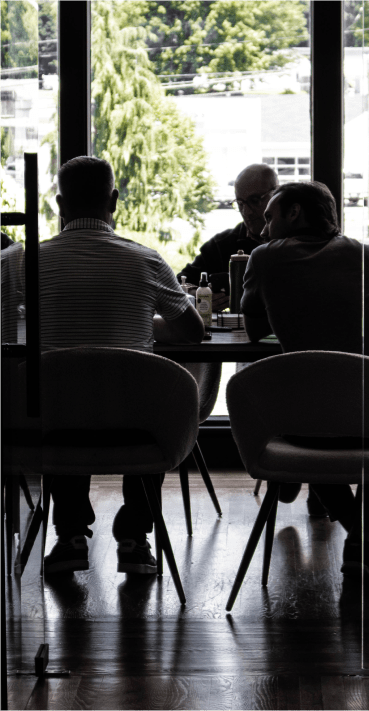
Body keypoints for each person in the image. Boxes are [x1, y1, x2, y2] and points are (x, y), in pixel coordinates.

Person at [241, 180, 369, 579]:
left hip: (307, 422)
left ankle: (363, 542)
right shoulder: (365, 255)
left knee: (309, 439)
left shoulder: (264, 257)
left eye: (270, 216)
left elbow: (253, 324)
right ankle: (363, 545)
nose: (263, 228)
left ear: (294, 213)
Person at [38, 156, 204, 575]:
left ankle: (69, 535)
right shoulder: (146, 261)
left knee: (62, 393)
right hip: (134, 425)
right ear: (115, 200)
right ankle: (134, 538)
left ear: (60, 204)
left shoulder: (23, 264)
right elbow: (192, 332)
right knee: (152, 409)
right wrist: (139, 319)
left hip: (53, 426)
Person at [177, 163, 278, 311]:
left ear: (276, 194)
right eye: (240, 203)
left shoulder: (296, 240)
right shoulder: (222, 244)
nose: (247, 212)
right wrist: (198, 295)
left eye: (255, 201)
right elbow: (176, 284)